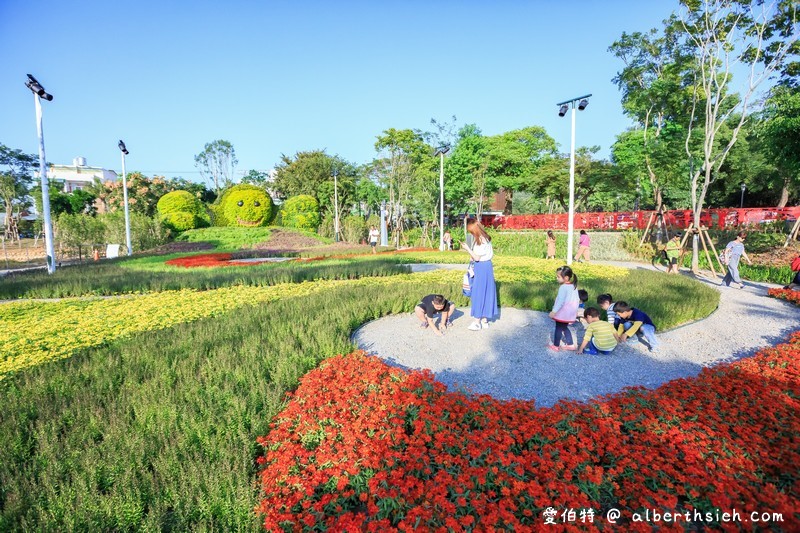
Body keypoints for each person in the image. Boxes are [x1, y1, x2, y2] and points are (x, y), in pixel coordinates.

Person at [461, 219, 498, 330]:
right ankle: (484, 320)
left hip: (481, 267)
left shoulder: (480, 240)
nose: (470, 233)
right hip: (487, 266)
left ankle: (477, 321)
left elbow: (477, 257)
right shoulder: (486, 238)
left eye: (471, 231)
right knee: (487, 292)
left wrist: (467, 249)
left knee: (478, 293)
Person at [548, 266, 580, 351]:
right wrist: (575, 311)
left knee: (558, 328)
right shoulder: (574, 286)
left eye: (558, 277)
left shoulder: (563, 287)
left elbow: (560, 301)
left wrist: (554, 311)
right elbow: (577, 300)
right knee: (564, 327)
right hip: (570, 312)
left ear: (566, 277)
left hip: (563, 312)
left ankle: (555, 346)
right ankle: (570, 344)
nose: (557, 278)